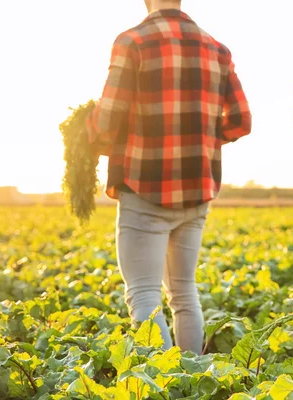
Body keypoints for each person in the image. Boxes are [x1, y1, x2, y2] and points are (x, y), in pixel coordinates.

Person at [85, 0, 251, 353]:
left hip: (144, 189)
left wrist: (85, 137)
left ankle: (165, 384)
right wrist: (200, 138)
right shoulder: (217, 49)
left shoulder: (133, 42)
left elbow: (107, 118)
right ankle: (191, 380)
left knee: (144, 294)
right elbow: (241, 121)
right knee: (184, 293)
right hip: (196, 193)